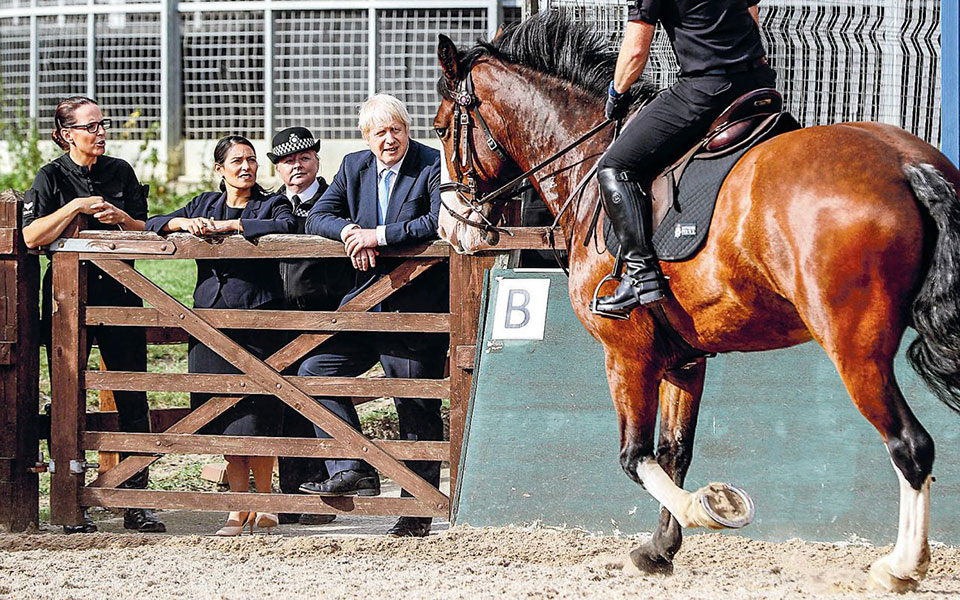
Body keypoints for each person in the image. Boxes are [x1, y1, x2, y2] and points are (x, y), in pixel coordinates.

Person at [298, 94, 448, 538]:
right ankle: (352, 466)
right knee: (315, 371)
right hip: (365, 304)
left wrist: (375, 236)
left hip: (414, 309)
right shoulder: (353, 166)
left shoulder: (432, 163)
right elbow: (319, 216)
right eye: (380, 132)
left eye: (396, 130)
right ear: (367, 137)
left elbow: (436, 221)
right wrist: (348, 231)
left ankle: (417, 510)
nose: (389, 140)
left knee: (415, 407)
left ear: (407, 130)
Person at [22, 96, 165, 534]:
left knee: (133, 399)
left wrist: (119, 217)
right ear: (67, 134)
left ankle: (134, 501)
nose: (100, 132)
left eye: (103, 124)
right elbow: (30, 237)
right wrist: (76, 207)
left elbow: (146, 232)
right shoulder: (49, 176)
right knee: (68, 401)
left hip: (123, 296)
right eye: (91, 126)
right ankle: (71, 503)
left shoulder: (121, 172)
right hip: (68, 307)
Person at [145, 135, 296, 536]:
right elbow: (154, 223)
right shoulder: (203, 204)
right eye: (236, 161)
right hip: (209, 323)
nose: (245, 167)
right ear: (219, 169)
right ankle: (236, 507)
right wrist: (184, 224)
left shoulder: (272, 202)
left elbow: (287, 225)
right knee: (225, 415)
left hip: (259, 320)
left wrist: (234, 226)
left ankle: (266, 504)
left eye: (250, 160)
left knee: (261, 413)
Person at [593, 0, 777, 318]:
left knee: (615, 166)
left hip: (707, 90)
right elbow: (751, 16)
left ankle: (640, 275)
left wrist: (617, 93)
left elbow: (636, 51)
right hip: (759, 82)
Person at [267, 126, 352, 526]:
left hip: (327, 312)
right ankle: (293, 498)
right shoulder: (269, 205)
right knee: (286, 402)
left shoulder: (336, 200)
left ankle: (326, 497)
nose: (296, 167)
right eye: (286, 161)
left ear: (317, 159)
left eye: (303, 158)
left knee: (318, 390)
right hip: (281, 315)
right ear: (278, 168)